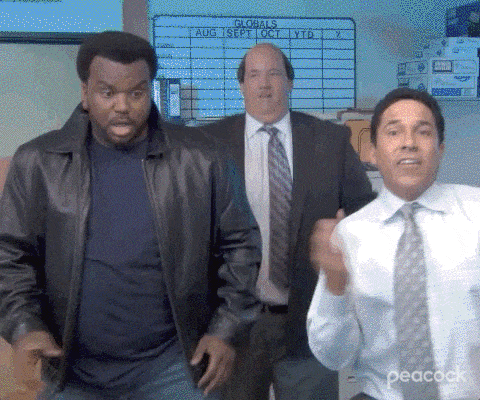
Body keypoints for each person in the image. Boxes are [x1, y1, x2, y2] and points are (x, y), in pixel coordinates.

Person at [0, 31, 262, 400]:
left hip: (173, 369)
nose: (122, 106)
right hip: (71, 372)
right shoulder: (38, 163)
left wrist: (226, 330)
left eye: (136, 93)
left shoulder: (204, 158)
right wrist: (24, 326)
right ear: (85, 94)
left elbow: (241, 247)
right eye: (107, 93)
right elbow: (10, 254)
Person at [201, 42, 375, 400]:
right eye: (254, 75)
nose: (264, 85)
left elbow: (364, 212)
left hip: (309, 323)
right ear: (241, 85)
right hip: (234, 327)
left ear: (290, 82)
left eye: (274, 74)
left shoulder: (331, 140)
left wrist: (344, 241)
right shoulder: (210, 143)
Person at [307, 87, 480, 400]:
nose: (408, 143)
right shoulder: (349, 236)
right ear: (372, 152)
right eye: (394, 132)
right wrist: (335, 287)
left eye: (423, 132)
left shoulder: (476, 214)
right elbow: (334, 356)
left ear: (440, 149)